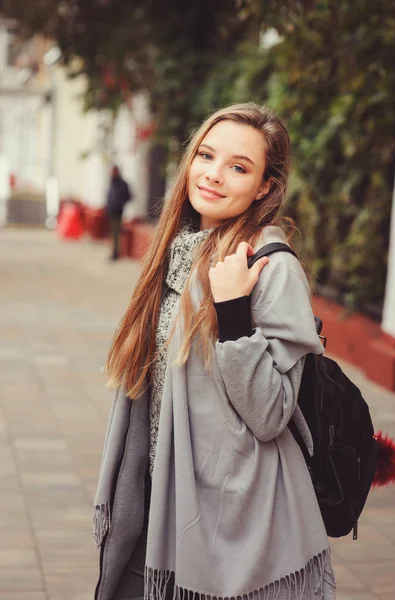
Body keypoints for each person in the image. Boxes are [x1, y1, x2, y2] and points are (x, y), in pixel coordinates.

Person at [93, 103, 337, 600]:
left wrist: (232, 314)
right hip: (157, 496)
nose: (214, 175)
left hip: (228, 516)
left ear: (266, 186)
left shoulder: (270, 267)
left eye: (239, 167)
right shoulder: (179, 247)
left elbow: (270, 414)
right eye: (207, 155)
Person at [105, 165, 132, 260]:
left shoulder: (122, 184)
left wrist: (119, 204)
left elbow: (128, 197)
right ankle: (113, 251)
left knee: (116, 233)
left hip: (118, 212)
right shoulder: (112, 183)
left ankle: (116, 253)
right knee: (112, 233)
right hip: (110, 212)